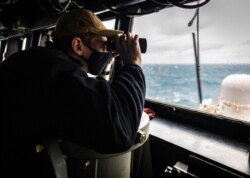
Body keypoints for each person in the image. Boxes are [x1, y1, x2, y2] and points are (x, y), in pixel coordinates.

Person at [0, 9, 145, 177]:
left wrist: (107, 63)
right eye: (104, 46)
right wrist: (133, 64)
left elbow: (97, 96)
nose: (106, 52)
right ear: (78, 46)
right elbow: (120, 135)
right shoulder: (62, 75)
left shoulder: (41, 61)